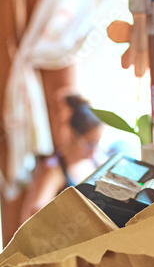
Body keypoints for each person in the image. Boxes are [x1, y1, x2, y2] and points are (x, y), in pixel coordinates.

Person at [20, 93, 105, 221]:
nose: (94, 150)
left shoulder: (94, 161)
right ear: (72, 135)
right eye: (89, 144)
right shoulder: (54, 168)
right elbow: (34, 213)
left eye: (97, 143)